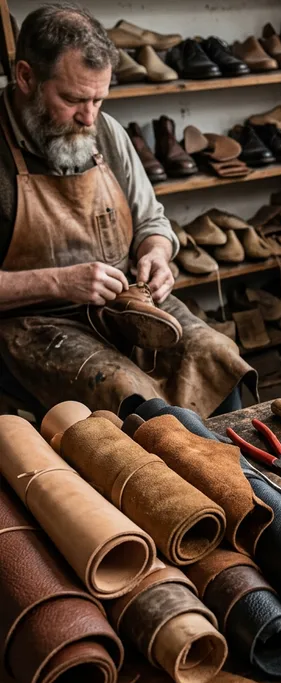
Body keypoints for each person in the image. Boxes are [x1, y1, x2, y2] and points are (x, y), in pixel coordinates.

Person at [0, 3, 255, 417]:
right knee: (127, 392)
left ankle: (239, 474)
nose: (88, 117)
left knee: (215, 354)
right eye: (72, 99)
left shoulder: (106, 131)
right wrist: (57, 282)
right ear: (26, 76)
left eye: (99, 99)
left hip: (125, 304)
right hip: (36, 324)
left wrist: (157, 253)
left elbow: (151, 220)